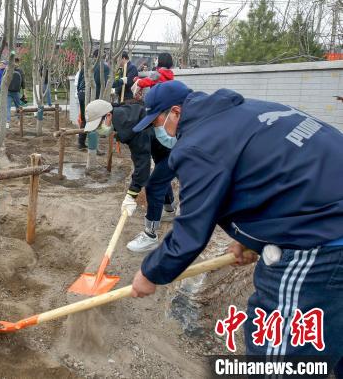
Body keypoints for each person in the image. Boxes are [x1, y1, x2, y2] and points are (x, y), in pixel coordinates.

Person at [130, 81, 343, 374]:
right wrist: (251, 240)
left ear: (175, 113)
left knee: (278, 356)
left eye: (157, 123)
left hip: (324, 238)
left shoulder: (198, 145)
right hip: (327, 211)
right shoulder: (249, 111)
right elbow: (272, 176)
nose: (161, 132)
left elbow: (191, 230)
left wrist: (150, 272)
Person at [82, 99, 176, 252]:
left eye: (98, 125)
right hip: (162, 147)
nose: (99, 130)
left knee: (153, 185)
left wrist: (131, 195)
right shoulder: (123, 115)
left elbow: (142, 166)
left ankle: (150, 236)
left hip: (176, 146)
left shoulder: (132, 127)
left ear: (108, 117)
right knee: (161, 175)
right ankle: (170, 210)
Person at [77, 49, 110, 150]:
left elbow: (79, 82)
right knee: (95, 120)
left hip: (82, 94)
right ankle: (93, 147)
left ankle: (81, 142)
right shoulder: (104, 67)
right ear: (102, 56)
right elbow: (104, 83)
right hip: (93, 96)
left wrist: (80, 92)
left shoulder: (86, 66)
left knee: (84, 118)